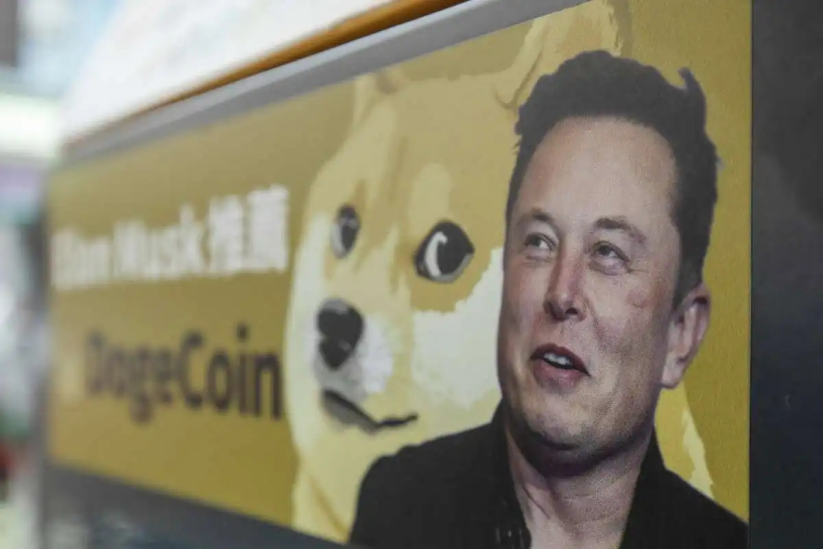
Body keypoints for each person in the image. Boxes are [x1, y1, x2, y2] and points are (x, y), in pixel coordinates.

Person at [348, 51, 748, 549]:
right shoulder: (398, 506)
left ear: (681, 334)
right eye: (539, 241)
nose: (562, 293)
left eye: (608, 253)